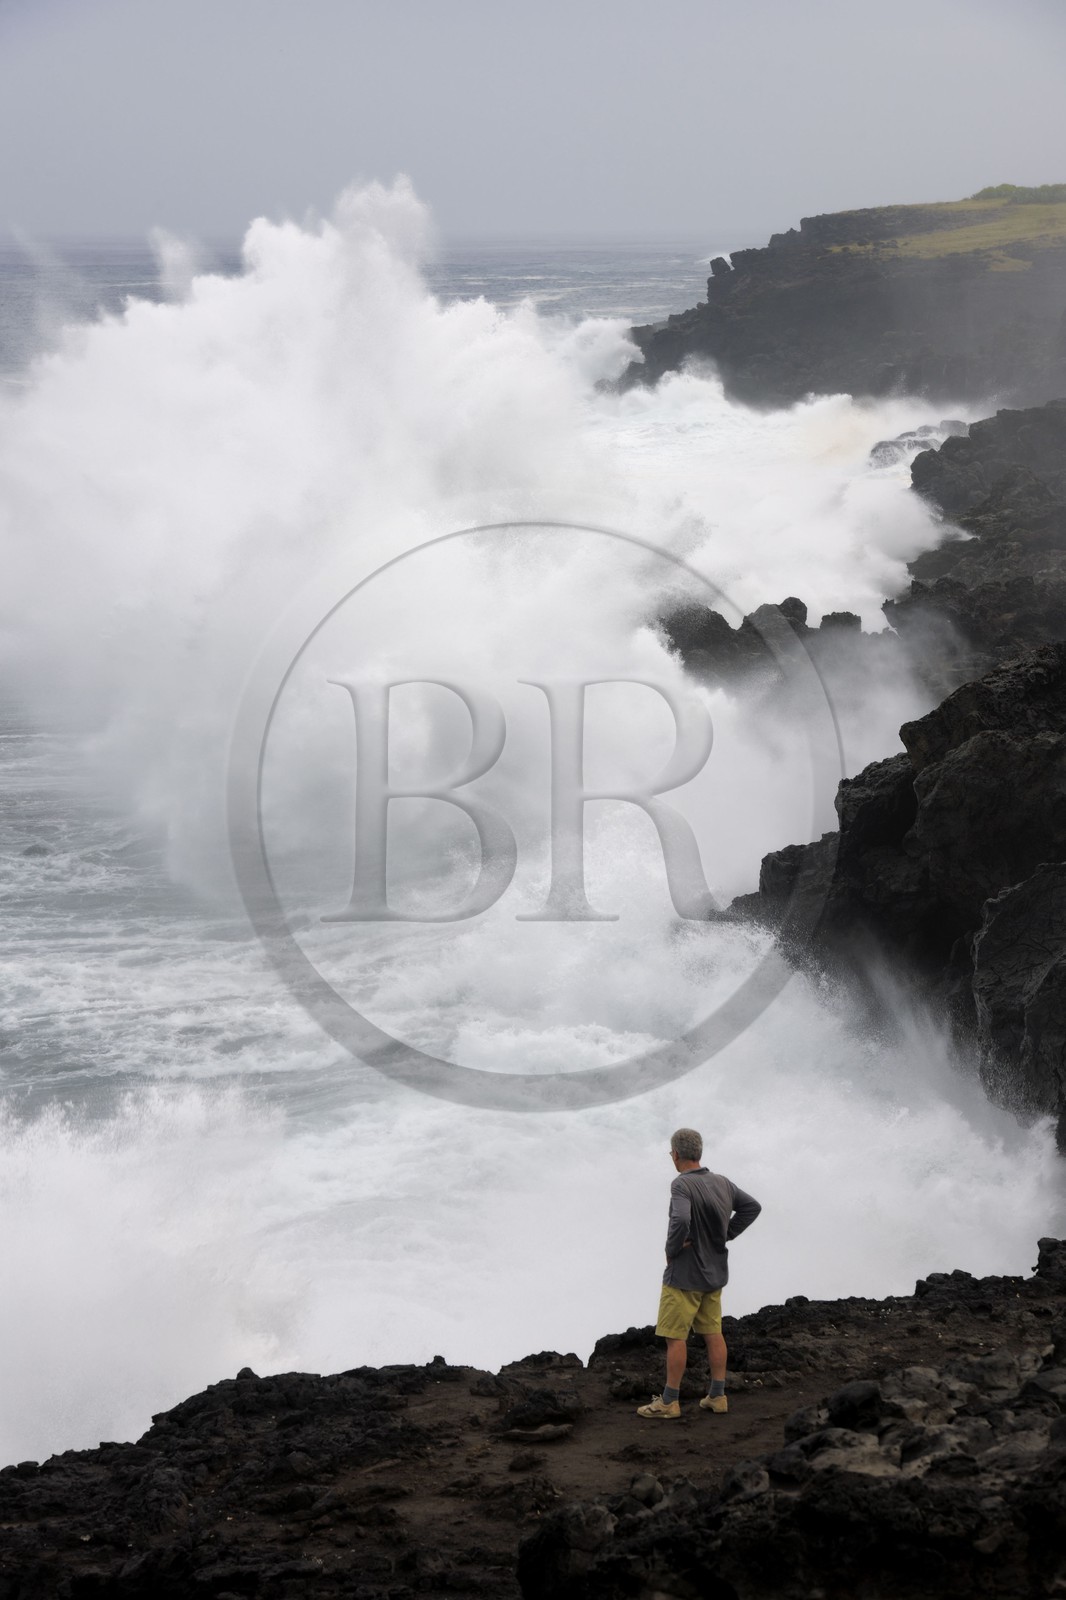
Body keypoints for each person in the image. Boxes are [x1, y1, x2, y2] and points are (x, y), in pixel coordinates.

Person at [637, 1127, 761, 1420]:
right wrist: (725, 1234)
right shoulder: (722, 1183)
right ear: (699, 1153)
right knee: (713, 1333)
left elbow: (680, 1218)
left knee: (675, 1337)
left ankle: (669, 1402)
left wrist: (673, 1248)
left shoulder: (681, 1185)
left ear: (676, 1154)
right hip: (714, 1274)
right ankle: (717, 1396)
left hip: (684, 1276)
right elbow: (752, 1207)